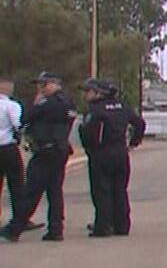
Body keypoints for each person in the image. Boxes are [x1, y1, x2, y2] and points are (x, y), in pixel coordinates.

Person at [4, 72, 75, 242]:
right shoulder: (68, 102)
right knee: (54, 191)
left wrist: (35, 103)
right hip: (60, 149)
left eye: (42, 85)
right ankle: (56, 229)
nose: (40, 89)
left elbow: (24, 119)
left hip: (45, 150)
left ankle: (14, 228)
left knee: (31, 191)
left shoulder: (47, 104)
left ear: (52, 84)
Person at [78, 79, 144, 237]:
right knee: (120, 189)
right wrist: (134, 142)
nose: (85, 95)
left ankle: (103, 227)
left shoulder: (95, 110)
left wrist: (89, 148)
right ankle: (122, 226)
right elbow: (140, 124)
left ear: (99, 93)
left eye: (88, 91)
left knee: (102, 190)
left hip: (101, 153)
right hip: (120, 152)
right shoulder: (123, 107)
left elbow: (89, 134)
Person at [0, 78, 25, 230]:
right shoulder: (11, 106)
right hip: (7, 148)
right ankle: (19, 218)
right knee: (16, 184)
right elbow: (18, 125)